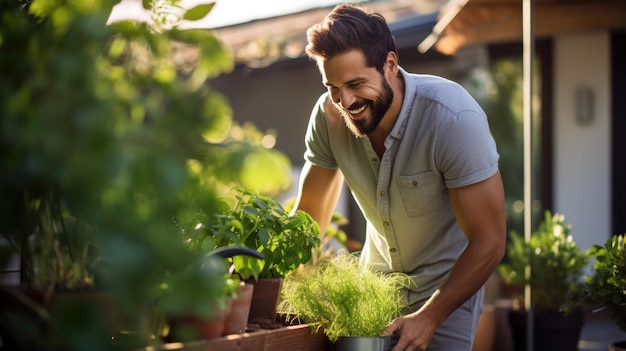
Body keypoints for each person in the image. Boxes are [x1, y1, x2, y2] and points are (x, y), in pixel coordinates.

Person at [290, 4, 506, 351]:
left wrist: (429, 316)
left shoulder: (452, 118)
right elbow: (309, 220)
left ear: (390, 64)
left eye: (356, 84)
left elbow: (490, 241)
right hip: (373, 289)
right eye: (332, 87)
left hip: (446, 289)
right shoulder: (328, 116)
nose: (345, 101)